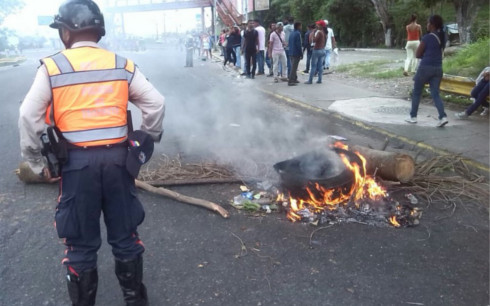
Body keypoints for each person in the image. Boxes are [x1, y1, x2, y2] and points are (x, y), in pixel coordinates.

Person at [18, 0, 165, 305]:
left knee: (80, 246)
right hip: (118, 163)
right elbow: (156, 104)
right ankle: (136, 300)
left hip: (76, 165)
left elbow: (27, 116)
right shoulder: (123, 64)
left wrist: (35, 161)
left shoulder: (52, 67)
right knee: (125, 239)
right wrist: (146, 137)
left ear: (66, 32)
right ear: (98, 30)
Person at [405, 14, 448, 127]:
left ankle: (413, 116)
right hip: (438, 68)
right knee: (435, 94)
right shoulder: (441, 37)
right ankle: (442, 117)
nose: (427, 25)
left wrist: (426, 54)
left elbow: (418, 54)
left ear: (432, 25)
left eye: (428, 23)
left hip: (425, 67)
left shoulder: (427, 37)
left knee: (417, 92)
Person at [305, 20, 326, 84]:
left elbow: (314, 40)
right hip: (322, 50)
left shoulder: (319, 32)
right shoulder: (323, 32)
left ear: (321, 26)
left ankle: (310, 80)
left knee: (313, 66)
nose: (316, 26)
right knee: (320, 66)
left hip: (317, 50)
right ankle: (320, 79)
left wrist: (313, 33)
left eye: (318, 25)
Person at [288, 21, 303, 86]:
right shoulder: (298, 33)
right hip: (296, 52)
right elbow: (299, 44)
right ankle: (291, 80)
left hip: (291, 51)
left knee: (293, 66)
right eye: (301, 26)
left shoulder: (291, 33)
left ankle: (294, 78)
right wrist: (301, 53)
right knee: (294, 68)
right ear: (298, 26)